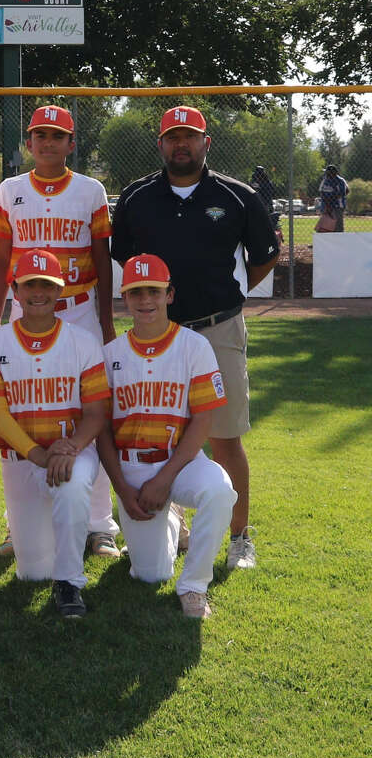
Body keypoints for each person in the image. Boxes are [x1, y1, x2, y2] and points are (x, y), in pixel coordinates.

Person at [110, 105, 278, 570]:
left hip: (218, 326)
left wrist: (231, 291)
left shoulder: (238, 196)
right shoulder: (137, 197)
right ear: (160, 144)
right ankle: (176, 527)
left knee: (225, 437)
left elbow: (265, 256)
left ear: (207, 143)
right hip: (157, 334)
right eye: (172, 137)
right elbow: (126, 259)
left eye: (190, 136)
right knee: (159, 432)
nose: (180, 144)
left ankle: (240, 536)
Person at [0, 104, 120, 560]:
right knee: (23, 409)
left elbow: (101, 261)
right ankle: (16, 524)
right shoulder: (11, 189)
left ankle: (100, 525)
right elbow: (3, 261)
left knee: (91, 412)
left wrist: (105, 321)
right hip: (26, 310)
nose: (47, 143)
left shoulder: (90, 189)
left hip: (79, 308)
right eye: (39, 135)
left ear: (71, 144)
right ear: (28, 143)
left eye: (57, 136)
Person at [97, 254, 237, 618]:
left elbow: (204, 419)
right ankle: (172, 519)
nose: (146, 300)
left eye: (154, 291)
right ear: (124, 298)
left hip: (182, 460)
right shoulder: (109, 355)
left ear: (169, 294)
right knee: (150, 574)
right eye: (136, 292)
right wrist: (122, 489)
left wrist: (165, 478)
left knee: (220, 489)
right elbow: (101, 431)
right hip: (132, 468)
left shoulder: (193, 345)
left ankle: (194, 586)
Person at [0, 250, 110, 618]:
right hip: (22, 459)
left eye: (47, 284)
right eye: (29, 284)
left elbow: (97, 412)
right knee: (32, 571)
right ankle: (60, 540)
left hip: (72, 450)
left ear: (59, 290)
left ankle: (70, 582)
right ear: (15, 290)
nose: (38, 292)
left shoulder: (83, 341)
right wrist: (39, 454)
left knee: (73, 481)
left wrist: (72, 448)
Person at [317, 164, 349, 232]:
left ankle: (339, 241)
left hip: (337, 206)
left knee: (338, 228)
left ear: (332, 173)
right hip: (325, 206)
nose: (326, 174)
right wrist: (327, 204)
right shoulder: (325, 180)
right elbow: (321, 192)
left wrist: (330, 204)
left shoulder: (340, 180)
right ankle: (325, 241)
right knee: (324, 228)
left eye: (327, 172)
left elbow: (343, 192)